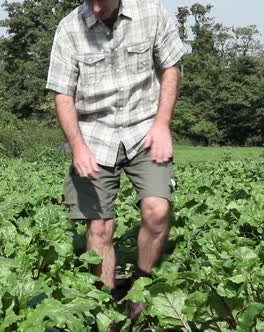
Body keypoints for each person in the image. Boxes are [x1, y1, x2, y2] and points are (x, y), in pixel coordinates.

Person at [46, 0, 185, 321]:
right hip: (94, 134)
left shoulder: (151, 12)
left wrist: (163, 123)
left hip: (145, 128)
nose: (94, 7)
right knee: (99, 226)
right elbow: (63, 95)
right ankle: (107, 308)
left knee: (158, 211)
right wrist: (77, 146)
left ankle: (140, 285)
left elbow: (170, 67)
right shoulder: (69, 28)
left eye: (102, 0)